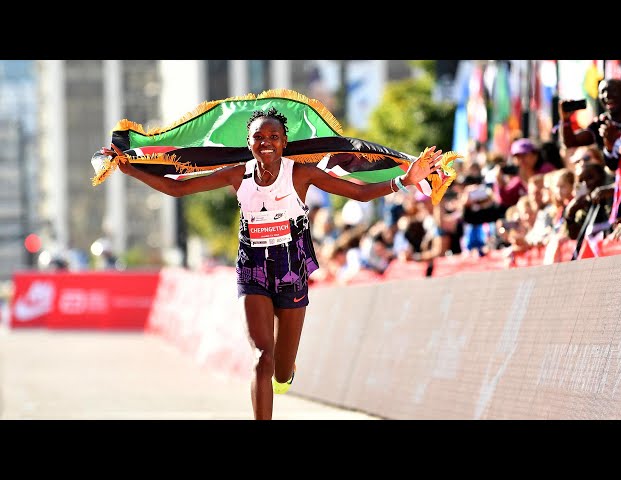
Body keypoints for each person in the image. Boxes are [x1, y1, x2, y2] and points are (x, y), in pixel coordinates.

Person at [103, 107, 442, 420]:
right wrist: (129, 168)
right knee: (262, 357)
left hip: (291, 267)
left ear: (284, 143)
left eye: (274, 137)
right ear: (249, 143)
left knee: (281, 369)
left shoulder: (302, 174)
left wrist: (405, 181)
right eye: (259, 137)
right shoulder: (238, 174)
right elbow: (176, 189)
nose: (266, 143)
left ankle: (286, 371)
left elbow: (358, 193)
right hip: (252, 267)